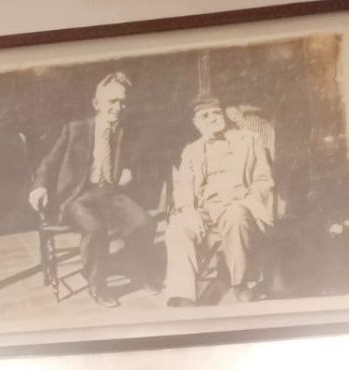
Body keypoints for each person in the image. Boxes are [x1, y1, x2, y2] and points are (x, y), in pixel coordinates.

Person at [28, 72, 159, 308]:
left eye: (122, 102)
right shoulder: (75, 130)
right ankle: (98, 286)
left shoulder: (127, 131)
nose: (118, 108)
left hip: (113, 194)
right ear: (96, 104)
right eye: (112, 101)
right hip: (79, 197)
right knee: (96, 229)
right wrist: (39, 187)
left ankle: (138, 270)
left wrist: (130, 172)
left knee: (143, 223)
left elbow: (141, 162)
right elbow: (49, 162)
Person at [164, 94, 275, 306]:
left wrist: (249, 201)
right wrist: (189, 210)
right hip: (205, 209)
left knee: (235, 215)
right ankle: (183, 294)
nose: (213, 118)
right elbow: (183, 186)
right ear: (196, 123)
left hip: (240, 202)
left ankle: (240, 282)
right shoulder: (191, 151)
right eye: (204, 116)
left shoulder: (249, 140)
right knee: (178, 228)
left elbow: (263, 179)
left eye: (216, 113)